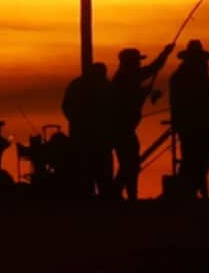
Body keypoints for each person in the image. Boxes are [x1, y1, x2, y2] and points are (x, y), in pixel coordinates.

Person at [111, 43, 172, 200]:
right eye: (137, 61)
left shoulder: (124, 78)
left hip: (124, 128)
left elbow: (135, 93)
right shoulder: (126, 76)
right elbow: (153, 68)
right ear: (130, 63)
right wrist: (165, 53)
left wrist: (146, 92)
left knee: (129, 163)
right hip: (123, 129)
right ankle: (117, 193)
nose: (139, 64)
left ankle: (125, 194)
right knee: (130, 163)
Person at [168, 39, 209, 199]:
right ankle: (187, 193)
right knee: (197, 162)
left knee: (196, 161)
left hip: (196, 128)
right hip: (196, 128)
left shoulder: (179, 78)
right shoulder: (185, 78)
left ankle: (188, 192)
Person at [61, 62, 113, 198]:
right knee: (95, 173)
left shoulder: (79, 85)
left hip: (93, 138)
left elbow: (66, 107)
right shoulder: (103, 86)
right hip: (93, 139)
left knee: (96, 174)